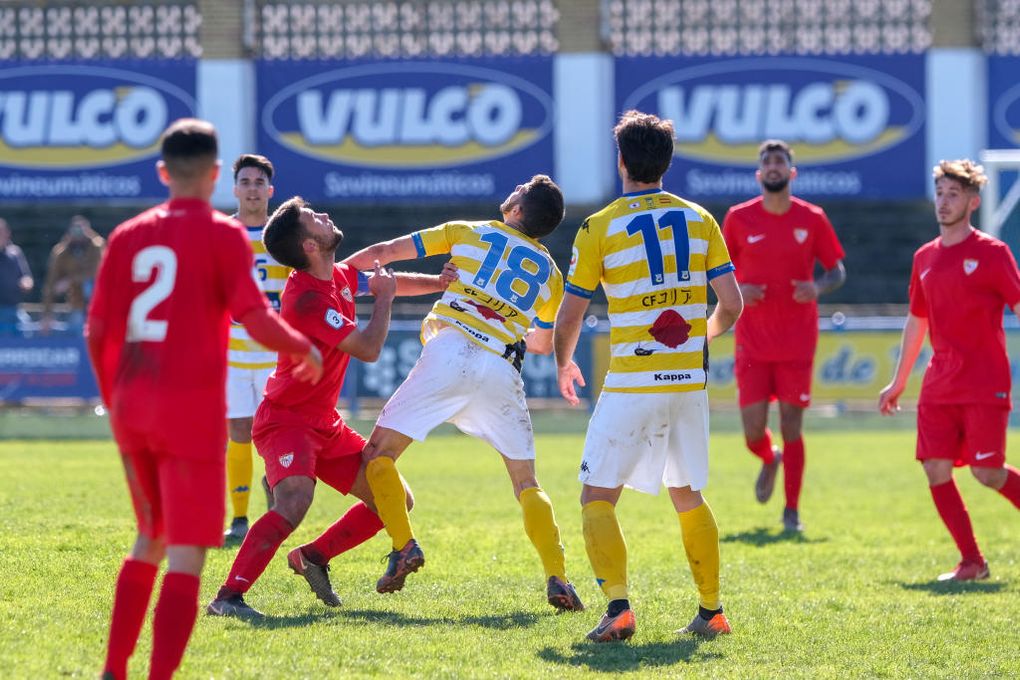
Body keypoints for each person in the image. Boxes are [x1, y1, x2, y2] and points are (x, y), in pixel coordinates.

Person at [87, 119, 322, 680]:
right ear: (217, 176)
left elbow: (99, 333)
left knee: (149, 534)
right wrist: (299, 347)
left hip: (134, 409)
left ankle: (113, 671)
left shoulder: (126, 235)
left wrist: (114, 400)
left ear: (163, 172)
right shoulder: (220, 236)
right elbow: (252, 314)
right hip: (188, 410)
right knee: (187, 550)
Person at [343, 174, 586, 613]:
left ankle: (403, 546)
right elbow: (542, 343)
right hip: (501, 366)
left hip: (451, 349)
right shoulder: (550, 275)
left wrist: (339, 276)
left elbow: (383, 255)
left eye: (518, 190)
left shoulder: (469, 232)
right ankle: (559, 578)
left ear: (515, 210)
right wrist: (504, 317)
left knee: (377, 456)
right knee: (527, 482)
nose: (511, 192)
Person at [207, 196, 455, 618]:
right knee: (294, 501)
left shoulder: (337, 275)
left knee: (395, 500)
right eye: (314, 219)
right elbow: (369, 348)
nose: (324, 216)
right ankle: (228, 598)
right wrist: (384, 301)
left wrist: (438, 283)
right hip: (286, 420)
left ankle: (314, 557)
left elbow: (388, 279)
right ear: (309, 245)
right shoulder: (305, 299)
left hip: (323, 423)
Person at [555, 110, 743, 643]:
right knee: (688, 493)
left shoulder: (599, 227)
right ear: (666, 162)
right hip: (687, 384)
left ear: (621, 161)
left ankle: (618, 610)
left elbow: (570, 315)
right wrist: (697, 338)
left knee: (597, 496)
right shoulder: (701, 218)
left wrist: (563, 361)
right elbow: (731, 305)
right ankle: (712, 611)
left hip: (633, 383)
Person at [879, 159, 1020, 582]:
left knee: (987, 472)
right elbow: (917, 320)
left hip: (985, 382)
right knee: (935, 468)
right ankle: (972, 562)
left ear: (973, 202)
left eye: (953, 195)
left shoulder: (993, 254)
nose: (943, 202)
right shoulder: (924, 257)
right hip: (939, 384)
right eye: (939, 193)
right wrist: (899, 380)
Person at [722, 140, 846, 532]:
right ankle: (768, 456)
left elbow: (837, 271)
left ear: (791, 172)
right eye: (767, 162)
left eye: (780, 162)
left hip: (797, 341)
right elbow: (720, 274)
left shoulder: (812, 218)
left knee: (793, 425)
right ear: (759, 174)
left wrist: (818, 287)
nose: (773, 167)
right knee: (752, 431)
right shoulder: (739, 219)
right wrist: (741, 291)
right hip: (753, 342)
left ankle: (791, 511)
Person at [223, 154, 284, 544]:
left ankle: (279, 508)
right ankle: (240, 518)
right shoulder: (220, 234)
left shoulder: (283, 236)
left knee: (276, 433)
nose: (252, 189)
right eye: (245, 182)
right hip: (231, 355)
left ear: (269, 190)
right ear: (235, 189)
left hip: (275, 355)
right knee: (238, 432)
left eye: (258, 182)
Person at [41, 215, 105, 334]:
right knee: (77, 333)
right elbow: (51, 283)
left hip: (99, 304)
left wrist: (70, 280)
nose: (78, 234)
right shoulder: (62, 252)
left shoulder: (96, 246)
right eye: (75, 230)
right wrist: (47, 314)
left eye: (82, 230)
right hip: (77, 303)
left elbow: (96, 271)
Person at [0, 217, 33, 334]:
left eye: (2, 231)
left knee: (27, 329)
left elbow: (26, 276)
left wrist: (26, 282)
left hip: (14, 308)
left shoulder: (15, 253)